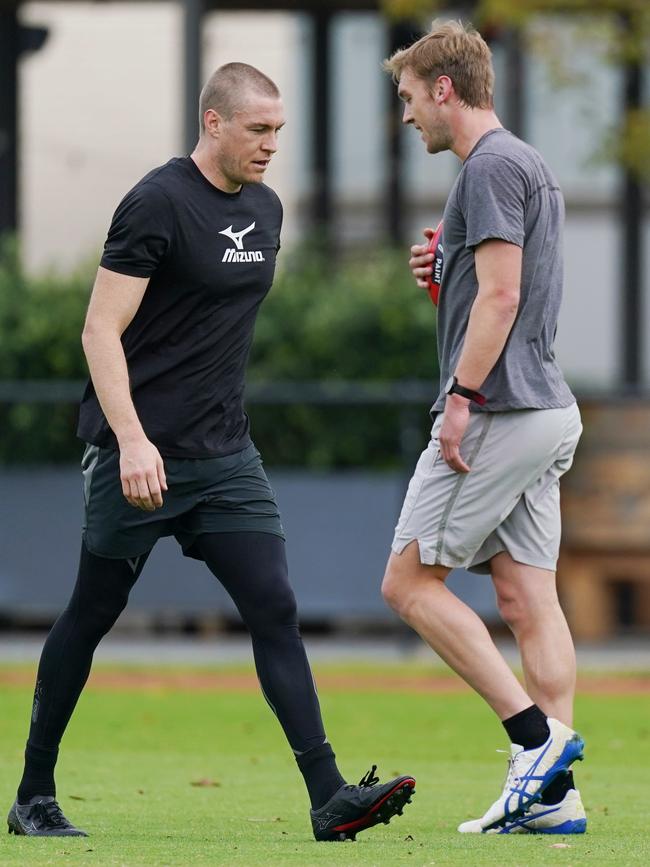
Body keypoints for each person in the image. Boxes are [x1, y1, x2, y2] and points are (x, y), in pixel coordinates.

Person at [7, 62, 415, 842]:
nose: (271, 145)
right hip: (141, 456)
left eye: (278, 131)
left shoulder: (266, 210)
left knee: (275, 605)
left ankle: (329, 796)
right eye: (258, 129)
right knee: (92, 612)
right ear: (214, 123)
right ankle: (32, 793)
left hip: (226, 456)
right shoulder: (156, 202)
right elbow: (99, 331)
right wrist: (130, 439)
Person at [381, 22, 586, 835]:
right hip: (546, 410)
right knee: (527, 598)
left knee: (406, 583)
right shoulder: (524, 163)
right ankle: (555, 802)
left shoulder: (489, 168)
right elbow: (499, 289)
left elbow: (503, 299)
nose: (405, 118)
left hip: (498, 410)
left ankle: (534, 745)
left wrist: (460, 396)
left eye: (407, 98)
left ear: (443, 88)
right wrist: (447, 274)